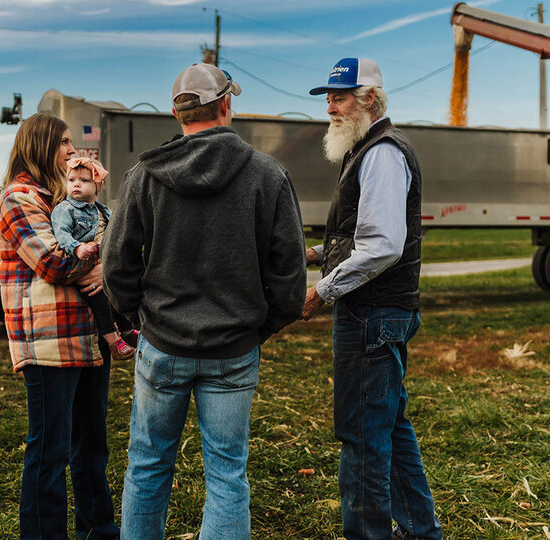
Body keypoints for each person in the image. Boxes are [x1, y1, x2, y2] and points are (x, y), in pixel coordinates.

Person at [103, 63, 307, 540]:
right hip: (234, 350)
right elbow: (291, 276)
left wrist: (142, 319)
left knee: (149, 466)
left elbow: (116, 266)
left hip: (163, 346)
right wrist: (258, 328)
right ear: (227, 106)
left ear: (178, 114)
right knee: (227, 475)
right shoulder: (268, 175)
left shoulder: (143, 177)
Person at [302, 57, 443, 540]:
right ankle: (421, 531)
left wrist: (321, 291)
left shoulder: (382, 153)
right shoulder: (367, 148)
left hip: (373, 314)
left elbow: (382, 246)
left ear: (371, 100)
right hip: (381, 313)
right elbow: (358, 233)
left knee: (362, 435)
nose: (330, 107)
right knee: (391, 427)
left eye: (340, 97)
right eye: (328, 97)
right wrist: (314, 252)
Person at [0, 113, 119, 540]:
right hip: (47, 344)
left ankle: (98, 532)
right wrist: (100, 262)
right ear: (42, 144)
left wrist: (102, 262)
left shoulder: (69, 200)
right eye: (64, 142)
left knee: (92, 449)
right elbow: (54, 262)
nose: (72, 150)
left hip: (87, 341)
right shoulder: (18, 199)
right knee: (50, 451)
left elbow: (112, 241)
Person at [51, 156, 136, 361]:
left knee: (118, 295)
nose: (76, 184)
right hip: (85, 268)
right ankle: (113, 341)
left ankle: (128, 331)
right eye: (72, 180)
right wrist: (77, 247)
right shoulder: (65, 209)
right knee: (99, 302)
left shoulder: (103, 210)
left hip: (104, 266)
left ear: (98, 186)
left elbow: (116, 234)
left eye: (84, 180)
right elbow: (61, 233)